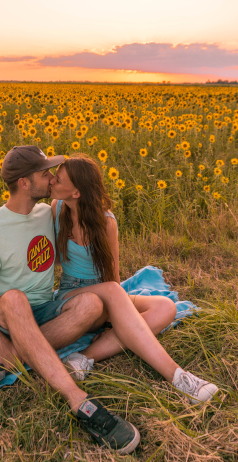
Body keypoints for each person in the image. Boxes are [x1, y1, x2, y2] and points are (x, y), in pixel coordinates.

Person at [0, 145, 140, 455]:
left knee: (92, 305)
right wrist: (1, 344)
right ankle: (79, 401)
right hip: (7, 311)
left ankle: (9, 363)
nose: (52, 177)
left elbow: (84, 211)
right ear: (25, 183)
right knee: (15, 298)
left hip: (46, 307)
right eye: (45, 173)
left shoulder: (50, 211)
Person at [49, 153, 219, 404]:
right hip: (72, 295)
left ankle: (84, 356)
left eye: (58, 179)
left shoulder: (106, 223)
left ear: (76, 192)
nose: (51, 181)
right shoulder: (56, 209)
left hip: (106, 293)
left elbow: (113, 275)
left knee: (166, 307)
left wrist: (115, 315)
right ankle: (179, 377)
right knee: (116, 296)